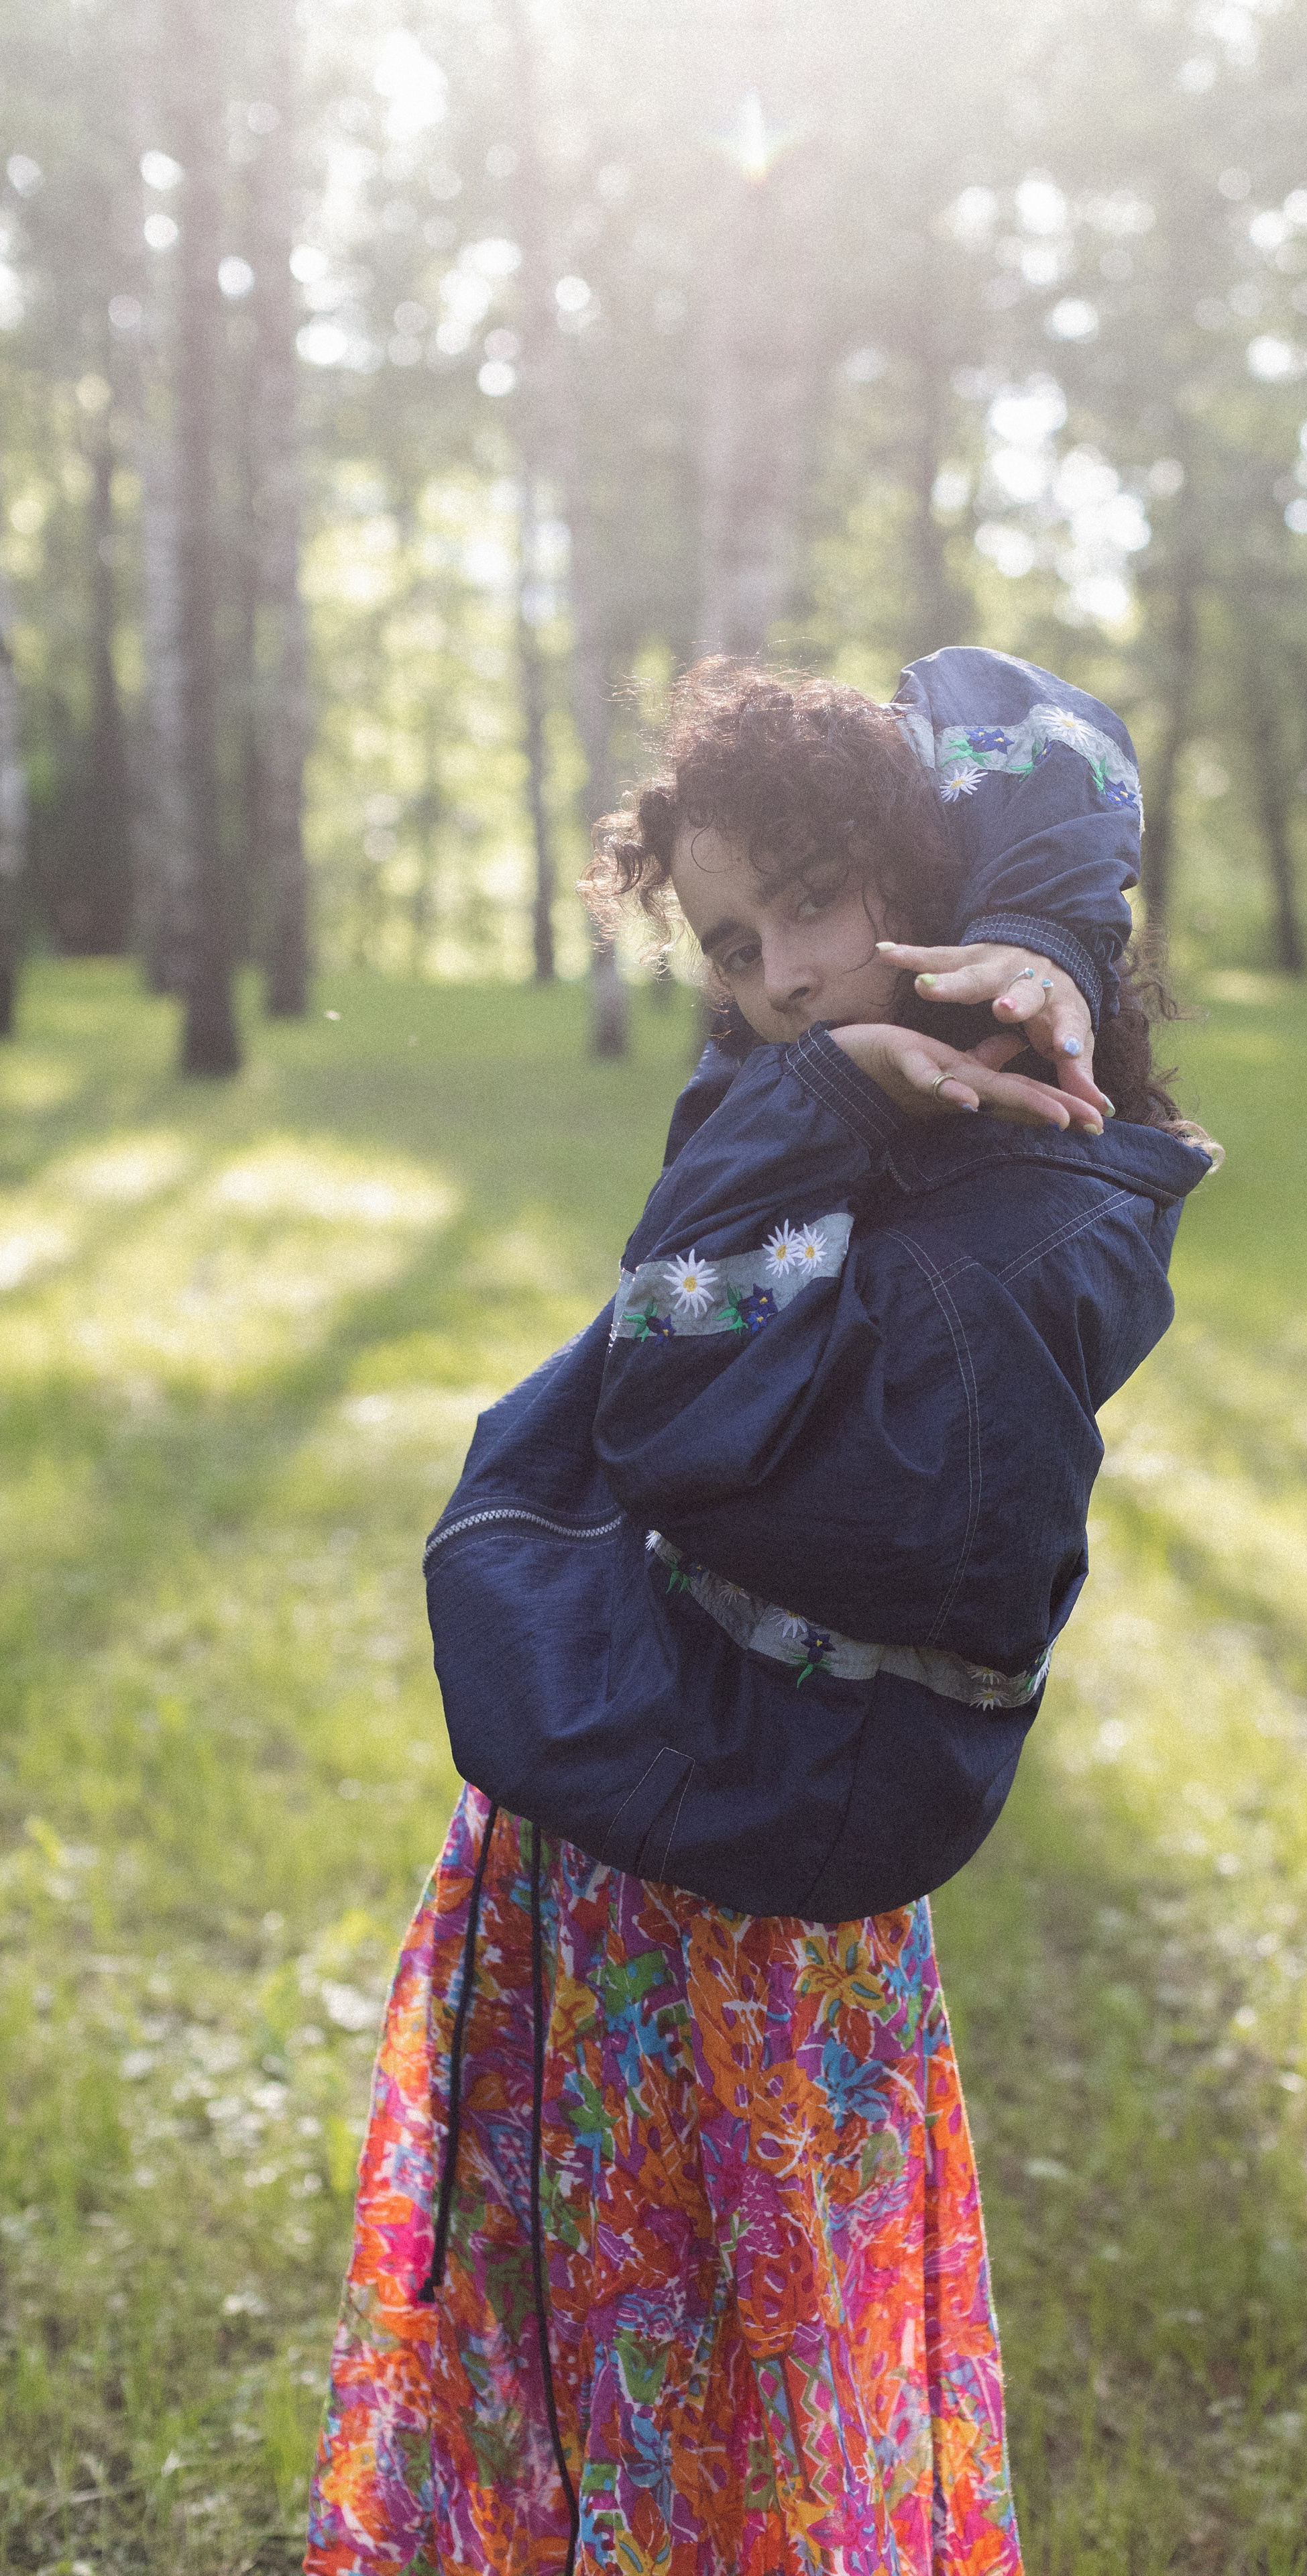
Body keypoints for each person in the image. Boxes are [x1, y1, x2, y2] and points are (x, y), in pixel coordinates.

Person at [304, 652, 1218, 2576]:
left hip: (755, 1868)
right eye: (735, 942)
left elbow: (675, 1398)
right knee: (583, 2283)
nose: (784, 974)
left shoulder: (1031, 1210)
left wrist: (1042, 927)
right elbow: (673, 1350)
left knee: (759, 2297)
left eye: (816, 900)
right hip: (612, 1841)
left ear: (915, 868)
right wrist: (826, 1095)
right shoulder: (803, 1092)